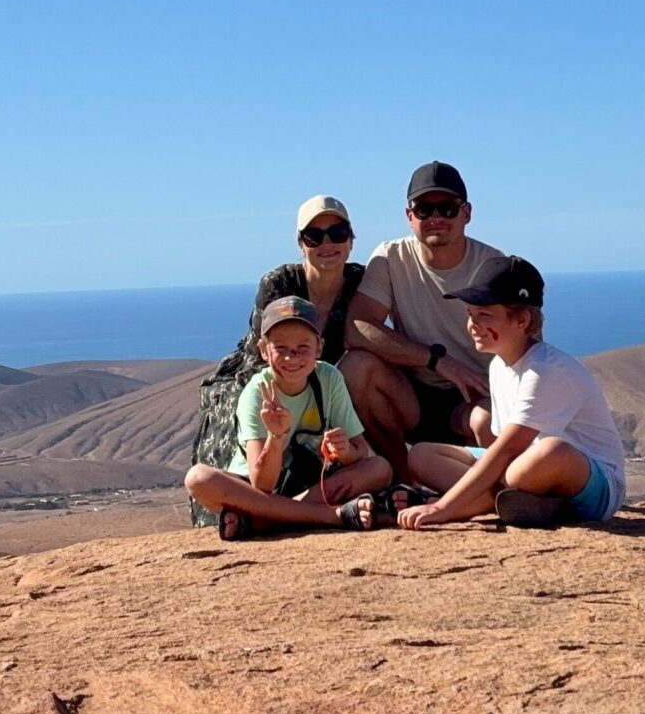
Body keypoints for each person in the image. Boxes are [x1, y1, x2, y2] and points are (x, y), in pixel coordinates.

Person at [188, 195, 390, 513]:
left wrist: (346, 448)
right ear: (301, 243)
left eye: (338, 233)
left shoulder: (361, 282)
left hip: (325, 383)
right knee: (231, 449)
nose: (327, 243)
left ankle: (272, 511)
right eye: (314, 235)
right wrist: (277, 415)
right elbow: (260, 357)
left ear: (351, 241)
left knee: (377, 464)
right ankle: (308, 511)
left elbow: (378, 333)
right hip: (268, 377)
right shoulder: (279, 284)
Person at [397, 257, 629, 530]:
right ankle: (524, 502)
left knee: (548, 452)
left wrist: (442, 507)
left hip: (596, 488)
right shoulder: (499, 365)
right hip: (521, 468)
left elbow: (508, 448)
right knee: (421, 455)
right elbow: (498, 446)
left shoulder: (544, 370)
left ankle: (482, 502)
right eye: (470, 314)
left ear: (522, 319)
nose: (472, 325)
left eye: (484, 315)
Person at [182, 297, 397, 539]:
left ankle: (267, 520)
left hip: (308, 487)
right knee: (198, 479)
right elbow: (262, 485)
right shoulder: (256, 393)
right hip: (255, 491)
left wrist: (345, 451)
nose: (292, 357)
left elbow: (361, 451)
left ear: (319, 347)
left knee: (379, 468)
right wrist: (275, 437)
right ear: (264, 350)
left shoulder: (329, 379)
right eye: (281, 348)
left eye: (303, 347)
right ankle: (331, 516)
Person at [346, 162, 509, 463]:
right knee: (356, 368)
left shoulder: (494, 268)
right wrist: (437, 361)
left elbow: (527, 347)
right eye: (424, 209)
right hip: (414, 394)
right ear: (410, 216)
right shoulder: (391, 258)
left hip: (476, 396)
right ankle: (400, 477)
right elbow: (357, 328)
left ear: (466, 213)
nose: (436, 218)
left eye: (447, 208)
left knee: (487, 422)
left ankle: (493, 485)